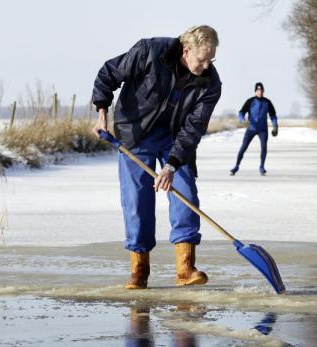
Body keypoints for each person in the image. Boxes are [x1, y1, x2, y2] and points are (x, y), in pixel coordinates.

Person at [91, 25, 221, 289]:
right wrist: (102, 113)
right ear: (186, 50)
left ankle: (185, 269)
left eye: (212, 59)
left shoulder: (210, 83)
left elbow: (193, 128)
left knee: (185, 192)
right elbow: (108, 73)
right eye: (202, 59)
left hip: (175, 138)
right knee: (137, 199)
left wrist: (172, 165)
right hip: (135, 133)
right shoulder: (149, 51)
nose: (207, 66)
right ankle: (139, 271)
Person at [230, 82, 278, 176]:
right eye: (258, 90)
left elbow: (273, 115)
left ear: (263, 91)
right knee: (243, 147)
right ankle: (236, 166)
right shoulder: (250, 101)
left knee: (264, 147)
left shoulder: (267, 102)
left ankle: (262, 167)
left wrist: (275, 125)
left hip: (262, 130)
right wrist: (241, 119)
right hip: (251, 129)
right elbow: (241, 112)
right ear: (255, 91)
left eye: (261, 90)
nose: (260, 92)